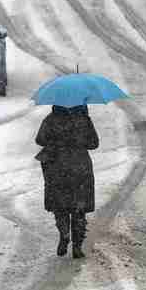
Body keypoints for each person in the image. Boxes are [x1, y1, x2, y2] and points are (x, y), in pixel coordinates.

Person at [35, 104, 99, 258]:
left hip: (57, 167)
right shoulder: (84, 120)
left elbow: (40, 140)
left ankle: (64, 234)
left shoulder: (51, 119)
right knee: (79, 208)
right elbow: (94, 143)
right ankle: (77, 246)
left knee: (60, 205)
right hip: (80, 167)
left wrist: (57, 142)